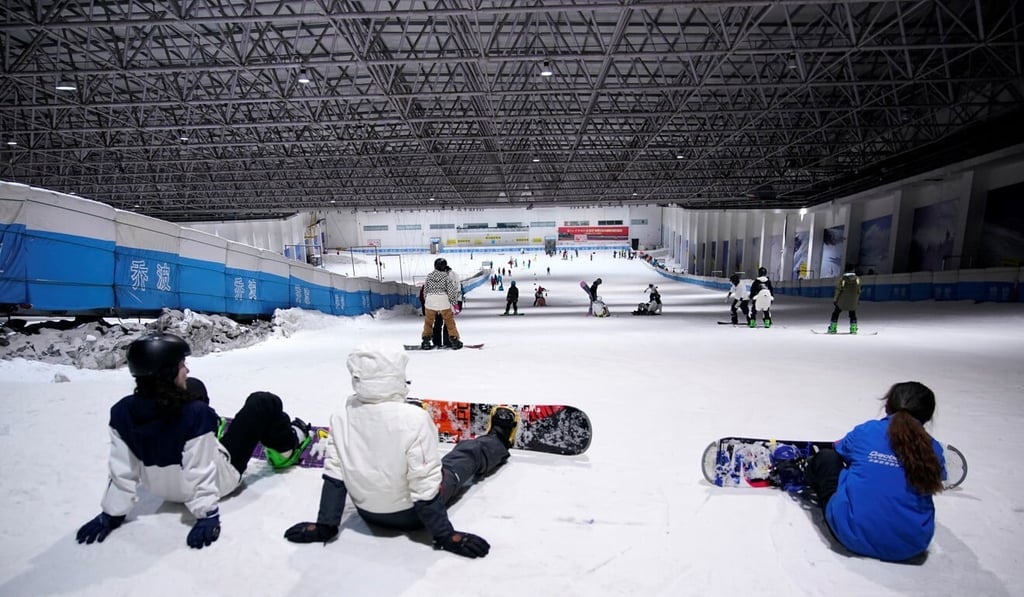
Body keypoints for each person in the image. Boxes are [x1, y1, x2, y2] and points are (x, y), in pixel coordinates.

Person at [75, 332, 311, 549]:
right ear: (167, 373)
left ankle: (209, 433)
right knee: (263, 402)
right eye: (181, 365)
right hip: (215, 480)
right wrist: (207, 514)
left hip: (161, 487)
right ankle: (288, 448)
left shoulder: (122, 412)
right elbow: (200, 471)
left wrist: (111, 513)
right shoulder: (194, 414)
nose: (186, 370)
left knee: (195, 386)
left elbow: (122, 468)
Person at [283, 345, 519, 558]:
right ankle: (497, 440)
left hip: (368, 512)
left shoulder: (341, 418)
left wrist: (324, 526)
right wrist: (445, 535)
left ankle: (398, 413)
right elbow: (425, 485)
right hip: (411, 514)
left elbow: (335, 476)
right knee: (462, 458)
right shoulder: (415, 420)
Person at [802, 381, 946, 562]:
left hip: (853, 534)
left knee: (827, 459)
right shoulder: (933, 449)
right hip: (912, 545)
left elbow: (840, 450)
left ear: (887, 407)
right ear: (928, 416)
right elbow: (939, 478)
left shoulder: (868, 431)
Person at [420, 258, 463, 350]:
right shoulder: (446, 277)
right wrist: (454, 304)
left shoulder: (429, 276)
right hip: (443, 301)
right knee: (449, 322)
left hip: (430, 301)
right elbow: (451, 292)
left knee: (428, 322)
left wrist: (426, 302)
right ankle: (454, 340)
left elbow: (425, 291)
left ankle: (426, 341)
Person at [828, 264, 861, 334]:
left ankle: (833, 328)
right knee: (852, 313)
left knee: (836, 313)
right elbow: (858, 290)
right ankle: (853, 328)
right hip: (852, 300)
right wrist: (857, 300)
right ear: (853, 270)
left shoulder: (843, 279)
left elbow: (838, 290)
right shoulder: (857, 279)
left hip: (842, 300)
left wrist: (835, 300)